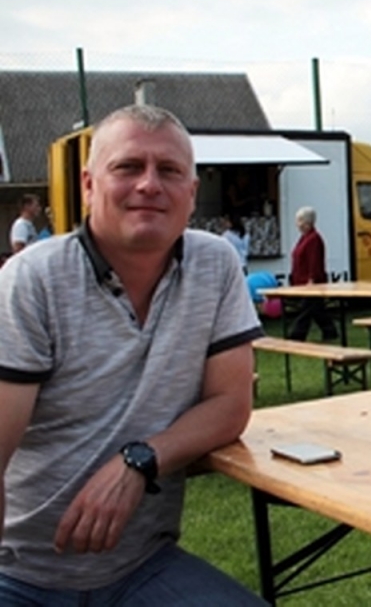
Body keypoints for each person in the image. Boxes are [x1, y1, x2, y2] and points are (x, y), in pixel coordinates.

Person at [0, 105, 265, 603]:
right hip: (19, 575)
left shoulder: (214, 265)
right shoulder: (33, 278)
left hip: (141, 565)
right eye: (128, 167)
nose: (149, 184)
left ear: (191, 192)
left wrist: (139, 460)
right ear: (88, 185)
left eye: (169, 170)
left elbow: (230, 405)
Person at [286, 206, 339, 341]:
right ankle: (330, 331)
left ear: (307, 222)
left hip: (311, 282)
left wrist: (312, 279)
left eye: (300, 221)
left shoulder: (314, 239)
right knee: (316, 309)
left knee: (306, 309)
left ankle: (297, 335)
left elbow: (314, 261)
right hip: (301, 281)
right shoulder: (304, 238)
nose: (297, 224)